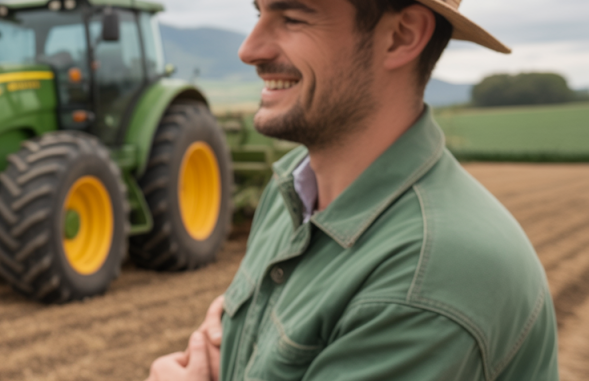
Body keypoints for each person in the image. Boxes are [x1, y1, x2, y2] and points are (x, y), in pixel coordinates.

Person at [148, 0, 559, 380]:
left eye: (293, 18)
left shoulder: (431, 275)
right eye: (260, 14)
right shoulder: (291, 188)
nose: (249, 50)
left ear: (401, 35)